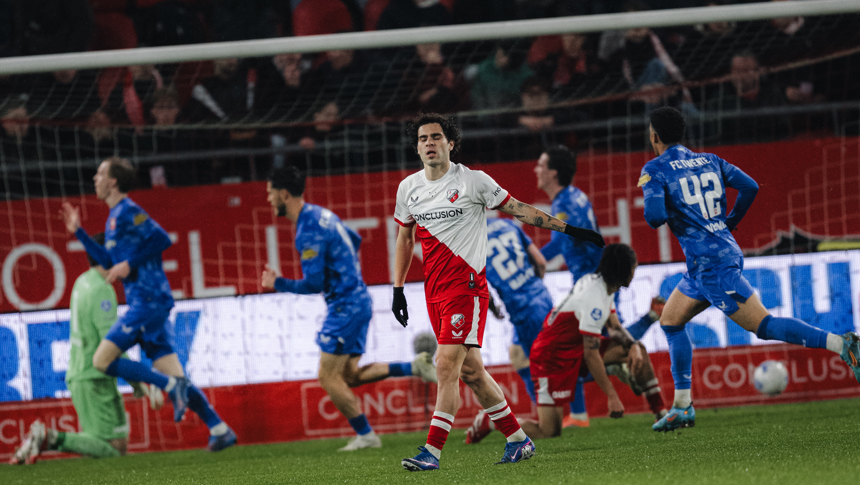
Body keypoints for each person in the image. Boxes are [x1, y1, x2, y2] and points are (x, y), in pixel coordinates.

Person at [392, 113, 604, 471]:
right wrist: (397, 289)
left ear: (451, 143)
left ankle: (432, 451)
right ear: (417, 146)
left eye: (436, 137)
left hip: (467, 289)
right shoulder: (408, 188)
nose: (429, 143)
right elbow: (404, 237)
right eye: (423, 139)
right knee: (471, 372)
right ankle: (518, 440)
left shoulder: (473, 181)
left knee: (445, 366)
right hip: (434, 292)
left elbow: (519, 210)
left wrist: (570, 230)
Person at [639, 106, 860, 432]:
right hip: (705, 263)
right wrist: (728, 222)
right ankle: (683, 407)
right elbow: (750, 187)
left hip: (713, 267)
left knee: (763, 325)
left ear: (654, 135)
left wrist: (653, 191)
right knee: (670, 322)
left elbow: (654, 217)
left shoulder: (655, 168)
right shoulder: (710, 159)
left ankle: (843, 345)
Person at [60, 157, 236, 451]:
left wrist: (130, 263)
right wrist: (78, 232)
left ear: (113, 182)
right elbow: (107, 262)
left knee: (101, 361)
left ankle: (168, 387)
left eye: (101, 173)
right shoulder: (114, 218)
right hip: (145, 303)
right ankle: (219, 429)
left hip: (149, 301)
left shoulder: (129, 211)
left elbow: (161, 238)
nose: (95, 178)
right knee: (176, 373)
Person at [261, 166, 438, 451]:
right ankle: (414, 365)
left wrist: (277, 282)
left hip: (344, 306)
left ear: (283, 194)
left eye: (270, 193)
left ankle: (366, 435)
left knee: (327, 377)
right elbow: (354, 241)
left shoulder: (307, 230)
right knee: (350, 376)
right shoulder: (323, 215)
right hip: (359, 299)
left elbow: (313, 283)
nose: (269, 200)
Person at [467, 244, 667, 442]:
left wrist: (631, 345)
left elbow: (614, 327)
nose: (634, 272)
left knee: (637, 348)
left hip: (574, 351)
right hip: (550, 359)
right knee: (548, 431)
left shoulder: (601, 285)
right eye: (633, 267)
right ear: (622, 270)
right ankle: (491, 421)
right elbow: (591, 353)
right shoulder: (594, 297)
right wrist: (612, 396)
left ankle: (662, 415)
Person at [536, 144, 664, 428]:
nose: (536, 170)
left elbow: (562, 239)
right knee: (605, 338)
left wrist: (535, 260)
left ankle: (586, 407)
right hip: (595, 277)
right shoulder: (576, 195)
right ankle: (588, 404)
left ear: (553, 173)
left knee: (585, 346)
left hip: (592, 281)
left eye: (541, 165)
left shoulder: (563, 203)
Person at [9, 233, 163, 465]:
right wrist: (138, 382)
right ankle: (48, 438)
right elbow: (111, 344)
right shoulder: (103, 290)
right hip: (95, 379)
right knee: (115, 448)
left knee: (109, 444)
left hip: (82, 375)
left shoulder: (83, 281)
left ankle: (46, 439)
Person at [480, 217, 553, 406]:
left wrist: (494, 308)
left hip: (522, 309)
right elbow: (541, 262)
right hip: (541, 296)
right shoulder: (508, 224)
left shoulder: (470, 239)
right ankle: (553, 413)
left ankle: (560, 416)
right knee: (518, 355)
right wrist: (535, 288)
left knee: (543, 365)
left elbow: (482, 287)